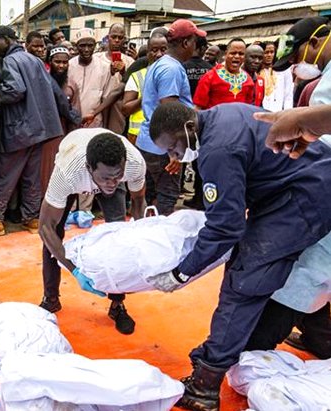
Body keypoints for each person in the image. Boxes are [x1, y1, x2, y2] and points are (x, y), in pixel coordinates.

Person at [147, 100, 331, 411]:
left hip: (303, 199)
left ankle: (205, 385)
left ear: (189, 129)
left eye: (175, 148)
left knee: (243, 282)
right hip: (306, 184)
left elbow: (225, 227)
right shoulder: (221, 114)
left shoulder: (217, 151)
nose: (174, 157)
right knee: (266, 270)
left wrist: (182, 272)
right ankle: (296, 338)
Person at [38, 129, 146, 335]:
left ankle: (117, 304)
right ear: (89, 168)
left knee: (118, 236)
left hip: (104, 165)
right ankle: (50, 298)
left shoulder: (134, 164)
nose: (112, 183)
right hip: (72, 157)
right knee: (53, 236)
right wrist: (75, 269)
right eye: (107, 178)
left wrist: (137, 244)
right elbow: (45, 227)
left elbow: (139, 202)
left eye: (118, 176)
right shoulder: (68, 173)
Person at [0, 26, 65, 237]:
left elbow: (15, 90)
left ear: (5, 40)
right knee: (32, 177)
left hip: (19, 130)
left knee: (6, 175)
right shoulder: (35, 60)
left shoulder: (11, 61)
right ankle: (31, 219)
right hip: (40, 128)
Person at [136, 19, 203, 216]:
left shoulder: (161, 64)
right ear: (185, 43)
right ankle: (159, 239)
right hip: (162, 147)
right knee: (166, 196)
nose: (195, 47)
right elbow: (170, 111)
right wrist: (174, 151)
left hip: (151, 143)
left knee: (151, 196)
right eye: (193, 42)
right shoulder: (171, 69)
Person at [43, 46, 82, 194]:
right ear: (50, 62)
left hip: (64, 134)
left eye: (64, 62)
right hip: (45, 136)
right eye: (57, 61)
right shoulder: (43, 81)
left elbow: (75, 112)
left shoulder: (72, 84)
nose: (61, 66)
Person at [122, 30, 167, 145]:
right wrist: (147, 97)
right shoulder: (137, 76)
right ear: (148, 53)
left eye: (163, 50)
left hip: (166, 138)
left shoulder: (176, 74)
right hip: (139, 137)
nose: (159, 54)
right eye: (154, 50)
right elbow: (125, 110)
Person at [67, 28, 114, 129]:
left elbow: (106, 99)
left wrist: (105, 127)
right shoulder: (68, 66)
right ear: (76, 46)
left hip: (95, 122)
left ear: (95, 45)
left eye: (90, 45)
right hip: (72, 122)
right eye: (82, 46)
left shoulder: (104, 67)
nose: (87, 49)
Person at [194, 38, 255, 109]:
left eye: (241, 54)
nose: (237, 56)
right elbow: (198, 108)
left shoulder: (248, 80)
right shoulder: (209, 77)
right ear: (226, 54)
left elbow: (247, 108)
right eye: (233, 53)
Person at [97, 23, 135, 135]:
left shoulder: (130, 62)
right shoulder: (97, 59)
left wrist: (124, 72)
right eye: (114, 37)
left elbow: (133, 86)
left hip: (118, 109)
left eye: (120, 37)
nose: (117, 40)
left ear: (124, 40)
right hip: (99, 105)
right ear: (108, 37)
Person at [260, 42, 294, 112]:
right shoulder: (257, 71)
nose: (269, 55)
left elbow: (288, 94)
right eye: (266, 52)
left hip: (278, 111)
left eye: (272, 52)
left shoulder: (283, 69)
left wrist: (287, 113)